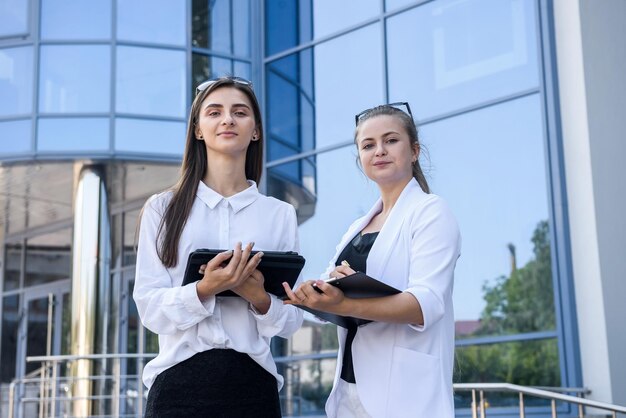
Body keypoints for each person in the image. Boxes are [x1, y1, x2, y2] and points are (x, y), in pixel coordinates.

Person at [133, 76, 303, 418]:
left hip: (253, 388)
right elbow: (149, 309)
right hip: (176, 387)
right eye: (214, 112)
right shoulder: (161, 209)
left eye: (239, 112)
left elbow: (292, 319)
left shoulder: (280, 214)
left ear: (255, 130)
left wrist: (258, 297)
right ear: (198, 129)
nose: (227, 119)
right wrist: (205, 289)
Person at [283, 102, 461, 417]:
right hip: (350, 392)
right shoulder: (357, 227)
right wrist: (313, 295)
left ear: (415, 150)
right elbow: (330, 301)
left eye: (391, 140)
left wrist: (344, 303)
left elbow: (425, 305)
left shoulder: (431, 212)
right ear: (361, 159)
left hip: (404, 394)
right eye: (368, 145)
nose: (379, 150)